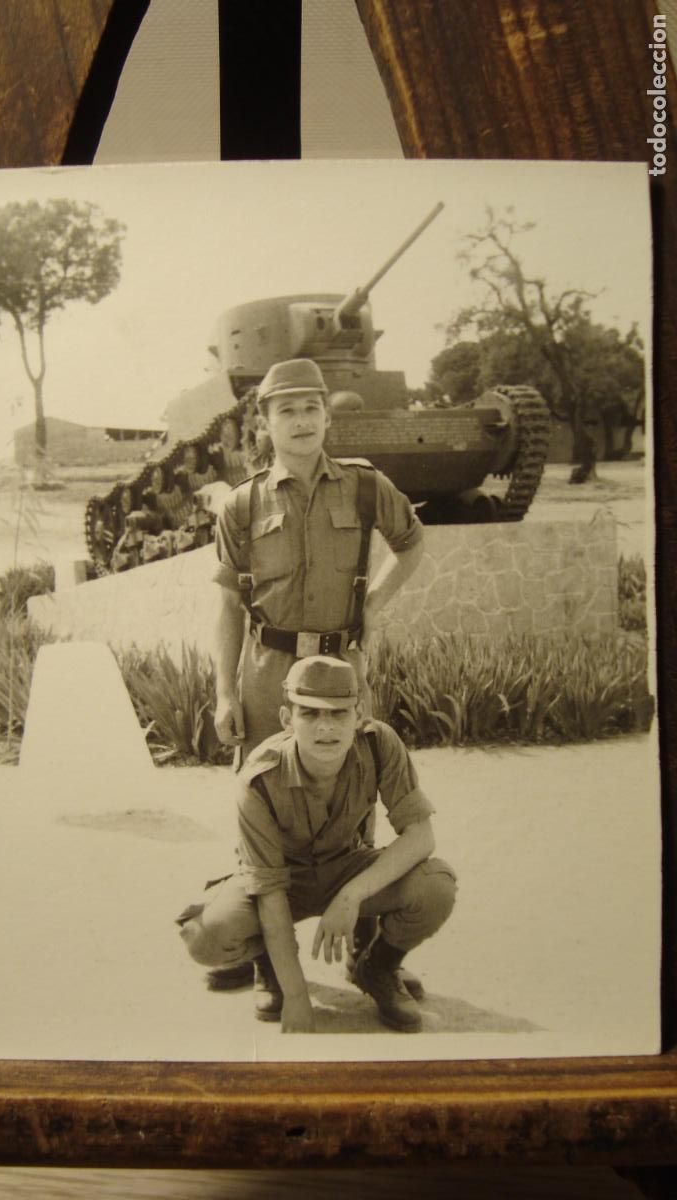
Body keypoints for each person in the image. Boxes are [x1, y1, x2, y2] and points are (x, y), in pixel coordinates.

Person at [205, 357, 425, 990]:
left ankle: (364, 949)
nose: (301, 422)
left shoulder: (364, 487)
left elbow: (411, 543)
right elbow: (225, 602)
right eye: (286, 411)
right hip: (267, 670)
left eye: (311, 409)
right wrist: (224, 691)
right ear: (265, 424)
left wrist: (374, 604)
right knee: (261, 801)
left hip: (341, 668)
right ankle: (262, 955)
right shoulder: (243, 504)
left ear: (328, 417)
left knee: (354, 799)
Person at [178, 656, 456, 1033]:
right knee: (203, 939)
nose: (325, 727)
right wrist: (296, 998)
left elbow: (421, 836)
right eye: (309, 713)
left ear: (358, 715)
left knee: (436, 885)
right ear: (285, 719)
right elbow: (270, 890)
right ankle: (269, 967)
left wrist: (351, 896)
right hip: (279, 880)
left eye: (339, 713)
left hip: (346, 867)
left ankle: (376, 967)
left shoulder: (379, 745)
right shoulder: (259, 779)